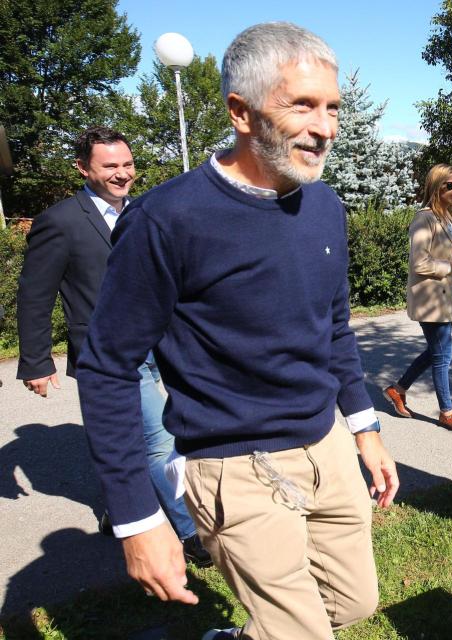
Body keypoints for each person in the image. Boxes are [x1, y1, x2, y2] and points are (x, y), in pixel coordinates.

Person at [75, 22, 399, 640]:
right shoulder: (166, 220)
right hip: (237, 466)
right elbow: (107, 367)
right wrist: (138, 519)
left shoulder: (324, 206)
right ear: (240, 113)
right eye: (302, 105)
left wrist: (365, 427)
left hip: (325, 443)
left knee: (354, 603)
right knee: (304, 634)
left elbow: (333, 330)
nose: (325, 127)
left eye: (331, 107)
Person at [15, 126, 210, 567]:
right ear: (84, 168)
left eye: (127, 164)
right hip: (110, 353)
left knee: (151, 433)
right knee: (159, 439)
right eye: (110, 167)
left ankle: (119, 511)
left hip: (163, 342)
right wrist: (35, 361)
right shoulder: (60, 221)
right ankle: (191, 533)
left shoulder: (146, 212)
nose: (122, 175)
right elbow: (35, 294)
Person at [383, 164, 452, 433]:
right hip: (430, 300)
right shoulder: (423, 218)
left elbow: (446, 251)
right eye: (449, 185)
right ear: (436, 186)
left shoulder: (446, 217)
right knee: (443, 356)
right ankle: (447, 412)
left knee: (436, 352)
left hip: (445, 298)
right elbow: (419, 262)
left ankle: (397, 390)